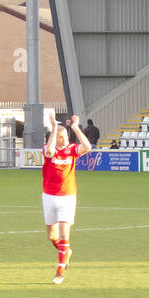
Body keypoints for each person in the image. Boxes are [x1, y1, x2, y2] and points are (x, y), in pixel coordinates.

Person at [41, 113, 92, 284]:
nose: (62, 140)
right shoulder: (49, 148)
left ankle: (60, 271)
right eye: (59, 137)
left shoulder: (71, 150)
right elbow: (49, 151)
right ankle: (66, 252)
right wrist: (54, 128)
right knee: (51, 236)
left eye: (64, 137)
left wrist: (75, 127)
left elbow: (87, 147)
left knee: (64, 232)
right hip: (48, 196)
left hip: (67, 197)